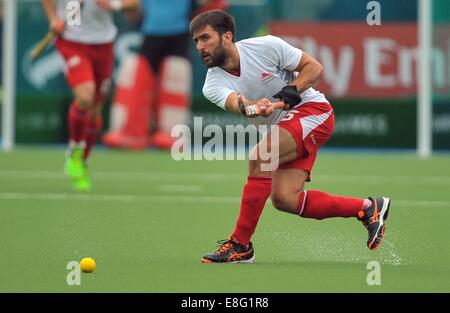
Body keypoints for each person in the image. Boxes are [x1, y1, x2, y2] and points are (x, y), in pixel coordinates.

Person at [190, 10, 391, 263]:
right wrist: (253, 107)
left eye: (205, 38)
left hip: (313, 112)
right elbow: (237, 103)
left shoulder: (266, 46)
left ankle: (241, 245)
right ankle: (367, 208)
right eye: (196, 41)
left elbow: (313, 67)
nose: (200, 46)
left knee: (261, 156)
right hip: (281, 129)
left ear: (227, 36)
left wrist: (292, 90)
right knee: (285, 199)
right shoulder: (212, 84)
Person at [102, 0, 228, 150]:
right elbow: (133, 10)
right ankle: (130, 131)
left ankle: (171, 133)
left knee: (175, 76)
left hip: (178, 34)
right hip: (151, 33)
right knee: (137, 73)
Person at [41, 0, 137, 191]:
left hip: (103, 44)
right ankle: (75, 149)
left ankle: (81, 161)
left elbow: (134, 5)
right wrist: (53, 18)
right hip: (71, 41)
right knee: (85, 97)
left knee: (95, 111)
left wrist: (113, 5)